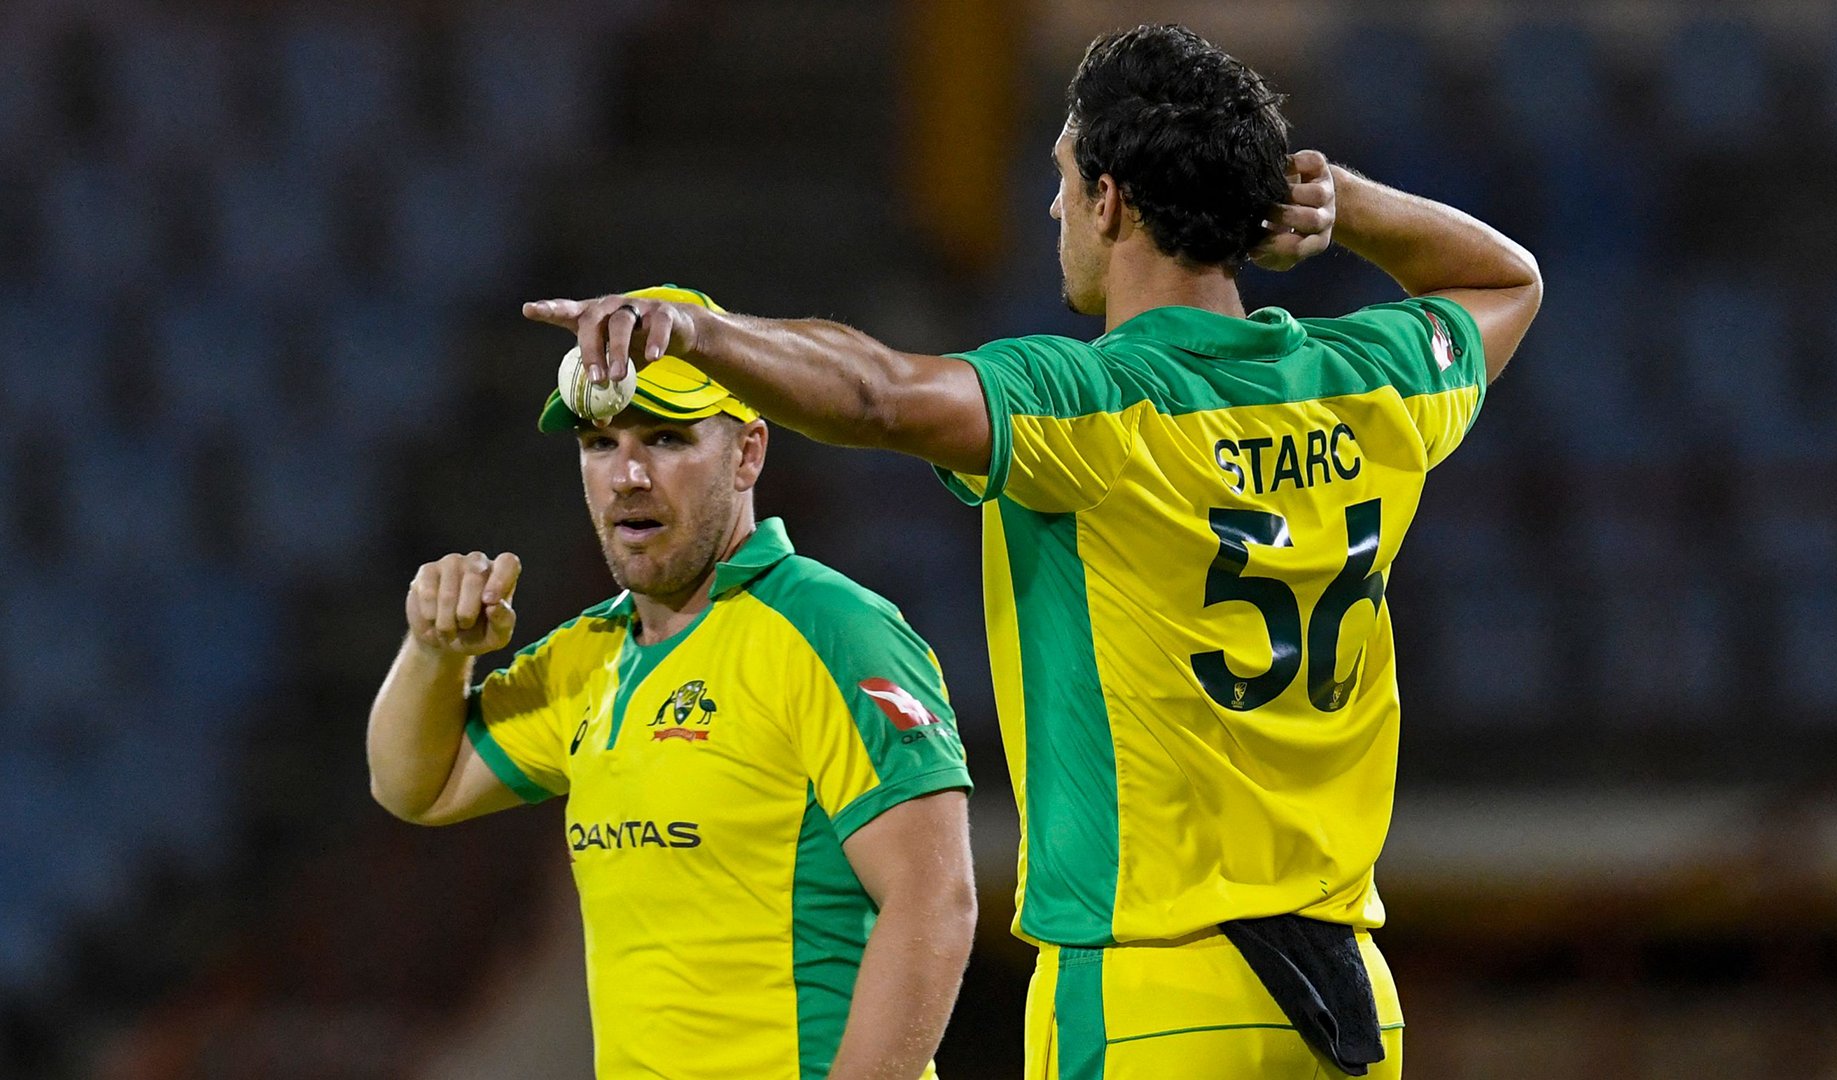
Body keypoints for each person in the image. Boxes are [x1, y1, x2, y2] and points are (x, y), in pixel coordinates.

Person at [526, 24, 1541, 1080]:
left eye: (1062, 176)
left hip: (1148, 994)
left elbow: (875, 390)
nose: (1053, 207)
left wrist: (701, 334)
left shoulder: (1094, 403)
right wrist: (1345, 203)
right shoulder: (1366, 378)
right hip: (1346, 1007)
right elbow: (1507, 281)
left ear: (1110, 199)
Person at [367, 287, 977, 1080]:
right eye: (598, 442)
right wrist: (434, 650)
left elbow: (935, 902)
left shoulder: (831, 628)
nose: (627, 475)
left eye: (664, 438)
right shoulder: (591, 654)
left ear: (749, 452)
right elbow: (417, 784)